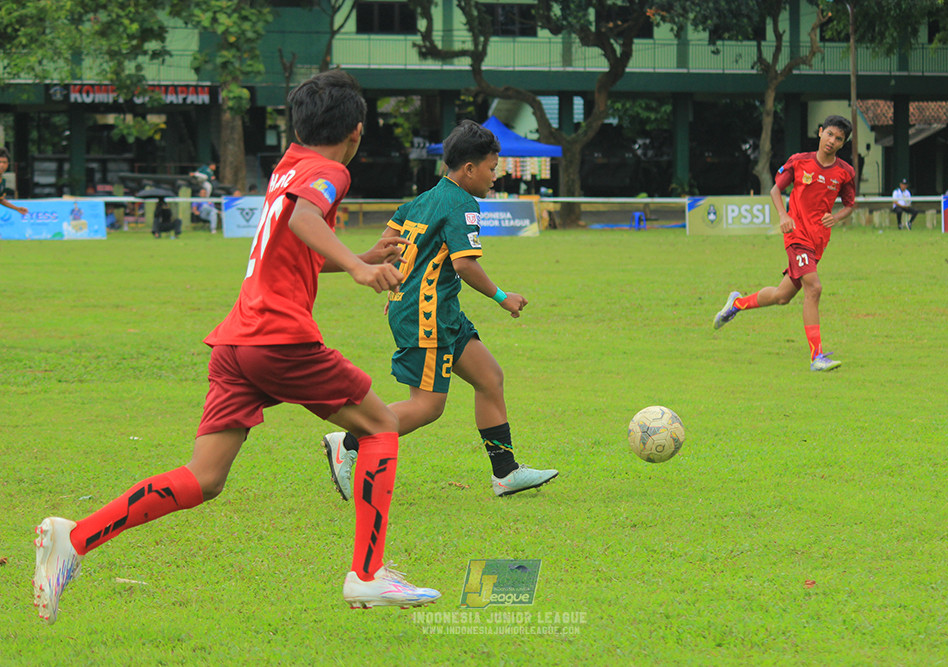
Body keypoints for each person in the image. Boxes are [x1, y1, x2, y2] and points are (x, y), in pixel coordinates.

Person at [31, 69, 440, 626]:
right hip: (280, 338)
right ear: (357, 133)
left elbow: (292, 239)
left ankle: (72, 539)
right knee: (381, 428)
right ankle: (368, 574)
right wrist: (356, 267)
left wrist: (359, 256)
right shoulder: (328, 171)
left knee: (204, 478)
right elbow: (303, 218)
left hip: (238, 340)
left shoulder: (289, 164)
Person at [323, 120, 558, 500]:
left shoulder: (422, 199)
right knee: (428, 406)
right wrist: (503, 297)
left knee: (490, 378)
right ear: (469, 169)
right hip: (427, 315)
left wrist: (399, 288)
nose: (495, 177)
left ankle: (506, 472)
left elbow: (389, 245)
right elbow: (464, 265)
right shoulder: (462, 203)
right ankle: (349, 442)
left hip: (439, 311)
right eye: (492, 168)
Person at [712, 115, 856, 372]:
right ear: (820, 132)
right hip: (797, 236)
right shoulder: (799, 161)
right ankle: (817, 357)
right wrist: (783, 215)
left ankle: (736, 303)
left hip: (818, 241)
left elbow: (850, 205)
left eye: (839, 139)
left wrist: (836, 217)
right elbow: (775, 190)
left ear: (842, 144)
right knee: (815, 288)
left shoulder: (845, 172)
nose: (832, 141)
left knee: (782, 296)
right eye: (830, 134)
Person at [0, 147, 28, 216]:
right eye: (0, 162)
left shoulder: (2, 181)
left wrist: (16, 208)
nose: (2, 165)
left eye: (4, 162)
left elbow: (0, 200)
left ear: (8, 164)